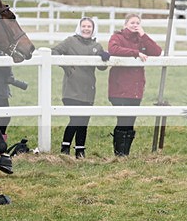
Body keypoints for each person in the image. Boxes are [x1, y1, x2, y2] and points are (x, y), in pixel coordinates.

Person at [52, 17, 110, 158]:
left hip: (88, 89)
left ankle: (80, 151)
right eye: (84, 26)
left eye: (89, 26)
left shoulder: (96, 46)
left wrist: (104, 57)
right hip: (71, 89)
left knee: (84, 121)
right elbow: (54, 51)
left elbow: (102, 68)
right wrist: (65, 65)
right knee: (76, 119)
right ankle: (65, 148)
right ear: (79, 27)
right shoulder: (70, 41)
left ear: (93, 29)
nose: (86, 29)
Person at [107, 13, 162, 156]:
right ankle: (119, 154)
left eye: (137, 23)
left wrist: (144, 35)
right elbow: (113, 49)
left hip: (136, 88)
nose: (135, 25)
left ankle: (125, 154)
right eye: (132, 22)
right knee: (122, 120)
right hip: (119, 87)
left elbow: (157, 52)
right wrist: (135, 53)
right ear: (125, 24)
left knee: (130, 121)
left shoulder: (141, 40)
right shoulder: (117, 37)